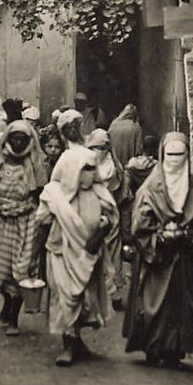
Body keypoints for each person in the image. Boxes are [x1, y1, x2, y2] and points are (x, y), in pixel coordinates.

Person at [123, 132, 193, 367]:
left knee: (182, 305)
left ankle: (175, 350)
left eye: (180, 155)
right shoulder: (150, 188)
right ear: (162, 155)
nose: (175, 160)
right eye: (170, 155)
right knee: (155, 304)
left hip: (184, 258)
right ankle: (154, 347)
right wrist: (160, 236)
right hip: (157, 258)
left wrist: (188, 236)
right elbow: (138, 224)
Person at [30, 146, 118, 366]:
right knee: (65, 298)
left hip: (89, 255)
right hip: (61, 253)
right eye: (84, 169)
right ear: (71, 170)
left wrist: (99, 234)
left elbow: (111, 220)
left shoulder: (100, 192)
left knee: (86, 299)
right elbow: (42, 226)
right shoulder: (54, 194)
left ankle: (76, 340)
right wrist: (31, 257)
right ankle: (68, 345)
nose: (89, 173)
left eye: (91, 168)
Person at [0, 120, 48, 336]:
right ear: (8, 138)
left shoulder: (34, 163)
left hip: (26, 221)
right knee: (2, 270)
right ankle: (7, 304)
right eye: (14, 138)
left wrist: (40, 226)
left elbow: (40, 195)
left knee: (23, 268)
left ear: (28, 141)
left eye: (22, 139)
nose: (17, 142)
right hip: (1, 220)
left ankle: (14, 319)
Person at [86, 128, 129, 309]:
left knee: (110, 253)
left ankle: (112, 292)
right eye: (97, 147)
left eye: (103, 148)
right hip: (94, 213)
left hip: (106, 213)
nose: (100, 151)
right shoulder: (92, 164)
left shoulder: (109, 167)